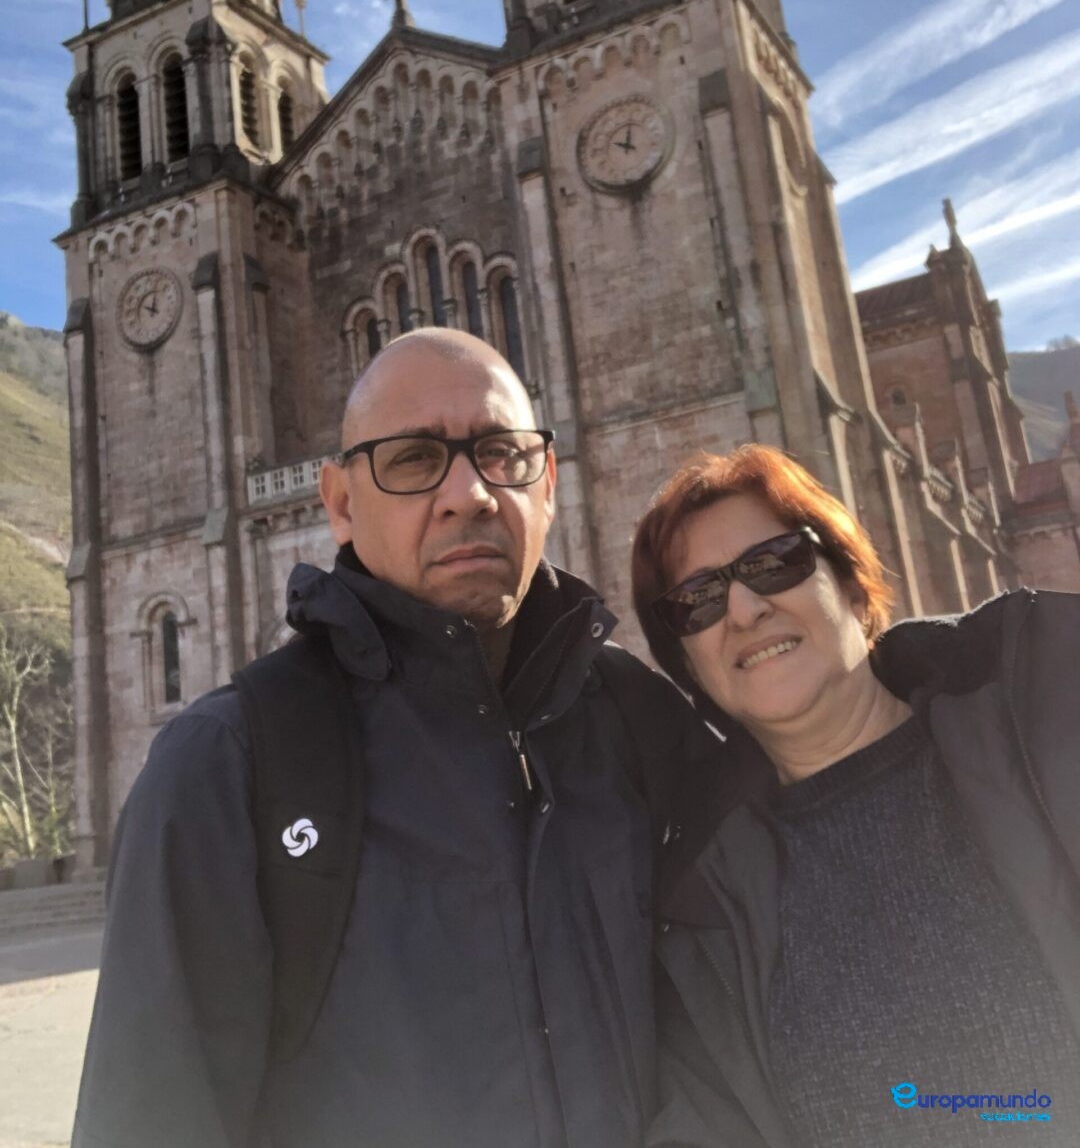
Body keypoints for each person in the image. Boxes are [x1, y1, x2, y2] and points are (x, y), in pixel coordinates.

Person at [74, 328, 714, 1148]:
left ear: (548, 483)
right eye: (413, 460)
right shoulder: (224, 766)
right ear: (340, 504)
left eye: (502, 453)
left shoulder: (637, 714)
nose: (469, 494)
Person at [630, 444, 1080, 1148]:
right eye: (698, 601)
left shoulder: (1049, 718)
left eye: (773, 563)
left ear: (852, 586)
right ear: (690, 667)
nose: (743, 609)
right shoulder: (701, 909)